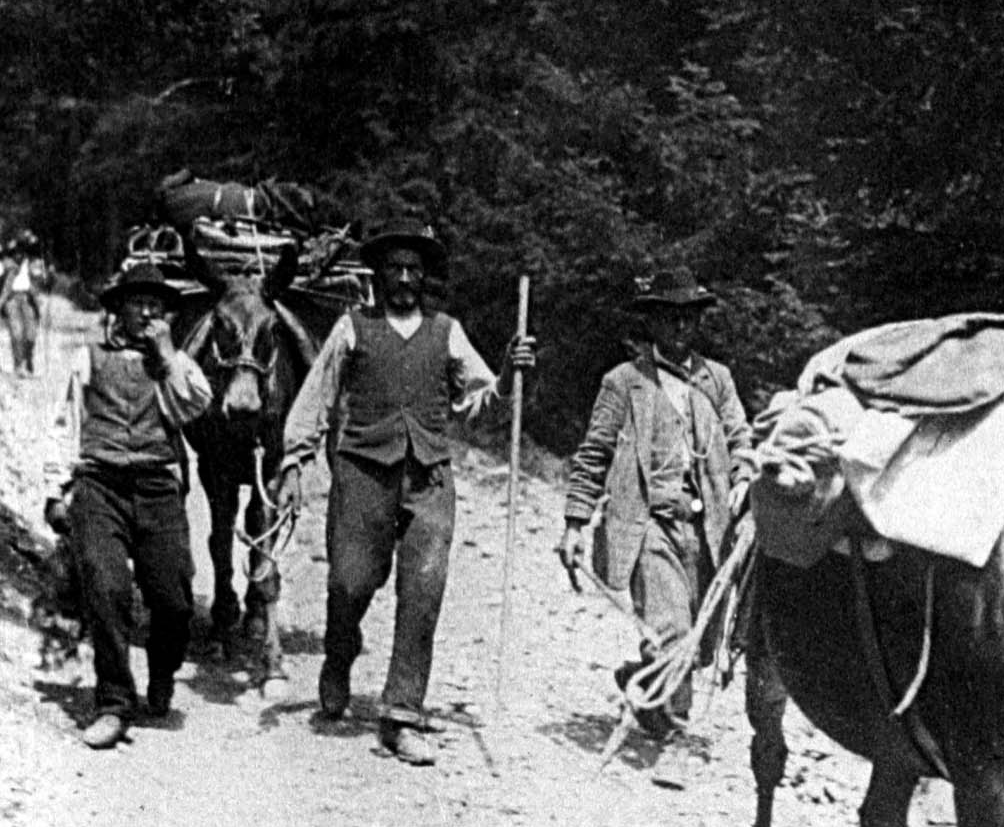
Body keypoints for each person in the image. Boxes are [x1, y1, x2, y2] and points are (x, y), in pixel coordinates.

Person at [275, 219, 537, 765]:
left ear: (424, 277)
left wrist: (511, 374)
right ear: (377, 275)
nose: (403, 279)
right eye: (393, 268)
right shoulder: (352, 328)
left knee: (424, 587)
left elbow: (480, 398)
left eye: (413, 270)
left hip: (429, 477)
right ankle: (339, 652)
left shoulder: (447, 331)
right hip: (363, 471)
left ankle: (401, 713)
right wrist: (296, 461)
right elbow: (315, 397)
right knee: (352, 579)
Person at [557, 266, 753, 758]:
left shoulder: (718, 380)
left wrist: (745, 476)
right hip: (649, 526)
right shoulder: (624, 383)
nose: (681, 328)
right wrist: (576, 522)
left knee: (704, 646)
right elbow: (594, 453)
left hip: (707, 529)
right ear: (652, 323)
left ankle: (645, 684)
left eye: (689, 318)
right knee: (673, 633)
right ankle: (676, 739)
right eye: (669, 318)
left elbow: (741, 438)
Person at [45, 263, 212, 749]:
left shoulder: (170, 364)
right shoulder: (87, 357)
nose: (146, 312)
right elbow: (64, 422)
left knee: (174, 598)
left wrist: (167, 356)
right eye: (137, 302)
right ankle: (114, 702)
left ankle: (163, 672)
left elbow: (196, 403)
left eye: (156, 305)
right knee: (106, 586)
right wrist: (55, 491)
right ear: (117, 308)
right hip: (99, 485)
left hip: (158, 487)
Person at [0, 233, 47, 376]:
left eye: (22, 251)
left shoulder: (33, 264)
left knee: (30, 334)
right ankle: (19, 365)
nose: (19, 254)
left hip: (28, 299)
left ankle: (28, 359)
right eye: (16, 251)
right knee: (16, 333)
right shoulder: (7, 265)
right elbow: (0, 282)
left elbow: (42, 281)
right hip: (12, 299)